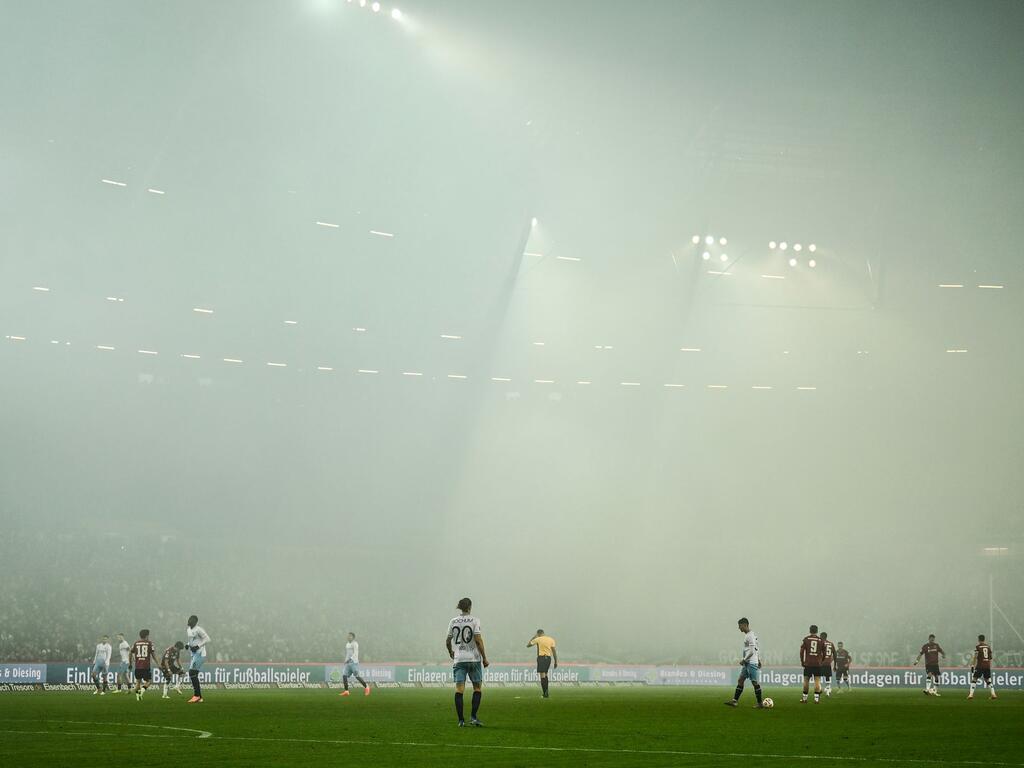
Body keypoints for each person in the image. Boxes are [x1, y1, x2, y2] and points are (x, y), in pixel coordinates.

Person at [446, 597, 489, 727]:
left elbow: (448, 641)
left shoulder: (453, 621)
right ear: (470, 607)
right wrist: (485, 658)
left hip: (459, 660)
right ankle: (473, 717)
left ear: (460, 607)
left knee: (459, 690)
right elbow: (478, 640)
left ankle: (461, 720)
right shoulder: (475, 620)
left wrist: (451, 652)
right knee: (477, 688)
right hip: (473, 659)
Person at [725, 617, 765, 708]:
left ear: (744, 625)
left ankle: (760, 703)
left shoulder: (750, 636)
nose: (739, 628)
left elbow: (751, 651)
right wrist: (758, 659)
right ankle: (734, 701)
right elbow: (756, 648)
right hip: (749, 662)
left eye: (740, 626)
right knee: (740, 680)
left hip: (750, 662)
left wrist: (744, 660)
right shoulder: (751, 635)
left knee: (754, 682)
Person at [185, 615, 210, 703]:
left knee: (192, 672)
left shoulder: (199, 629)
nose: (190, 621)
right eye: (189, 619)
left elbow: (207, 639)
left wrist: (198, 646)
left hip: (200, 653)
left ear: (195, 622)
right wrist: (188, 644)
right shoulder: (188, 629)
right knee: (194, 674)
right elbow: (192, 639)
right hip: (194, 654)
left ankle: (196, 696)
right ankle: (199, 697)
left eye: (192, 620)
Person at [527, 629, 557, 698]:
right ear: (544, 633)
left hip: (542, 658)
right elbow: (554, 651)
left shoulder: (538, 639)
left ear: (538, 633)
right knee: (545, 675)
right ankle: (546, 692)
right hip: (549, 659)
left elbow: (528, 645)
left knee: (542, 676)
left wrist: (534, 637)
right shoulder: (551, 639)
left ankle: (545, 694)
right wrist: (555, 661)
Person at [339, 632, 370, 697]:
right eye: (348, 636)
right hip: (348, 663)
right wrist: (346, 660)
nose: (348, 637)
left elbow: (355, 653)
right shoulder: (347, 644)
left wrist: (350, 659)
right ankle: (346, 691)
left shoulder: (355, 644)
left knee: (357, 676)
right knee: (344, 675)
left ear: (353, 637)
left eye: (350, 636)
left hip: (354, 662)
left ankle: (366, 687)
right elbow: (348, 654)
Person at [799, 624, 824, 703]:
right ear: (817, 631)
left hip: (808, 663)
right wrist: (821, 661)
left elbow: (801, 651)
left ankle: (804, 699)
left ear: (810, 631)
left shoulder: (806, 639)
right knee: (817, 681)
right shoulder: (821, 640)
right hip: (817, 664)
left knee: (806, 680)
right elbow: (824, 653)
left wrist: (802, 661)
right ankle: (816, 699)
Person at [968, 634, 997, 700]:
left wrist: (972, 665)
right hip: (987, 666)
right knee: (988, 680)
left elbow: (975, 656)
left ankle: (971, 695)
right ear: (984, 639)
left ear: (978, 640)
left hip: (980, 665)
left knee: (974, 679)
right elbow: (990, 658)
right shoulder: (988, 647)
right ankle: (993, 694)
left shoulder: (978, 647)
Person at [129, 629, 155, 700]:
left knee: (138, 682)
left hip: (137, 666)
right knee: (149, 681)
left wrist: (130, 663)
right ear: (147, 635)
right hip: (146, 666)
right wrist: (158, 664)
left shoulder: (136, 643)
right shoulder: (149, 643)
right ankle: (142, 691)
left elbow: (130, 653)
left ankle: (138, 698)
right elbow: (153, 655)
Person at [820, 631, 836, 697]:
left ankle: (819, 690)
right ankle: (828, 691)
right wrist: (835, 665)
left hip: (821, 663)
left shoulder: (820, 643)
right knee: (827, 677)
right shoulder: (831, 643)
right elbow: (835, 654)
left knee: (818, 677)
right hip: (828, 664)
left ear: (822, 637)